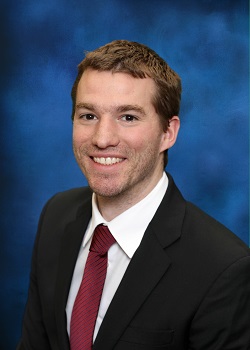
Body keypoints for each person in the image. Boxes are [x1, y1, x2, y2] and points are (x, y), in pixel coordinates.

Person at [17, 40, 250, 350]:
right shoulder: (56, 215)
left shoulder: (224, 268)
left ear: (168, 133)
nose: (102, 138)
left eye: (128, 117)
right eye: (88, 115)